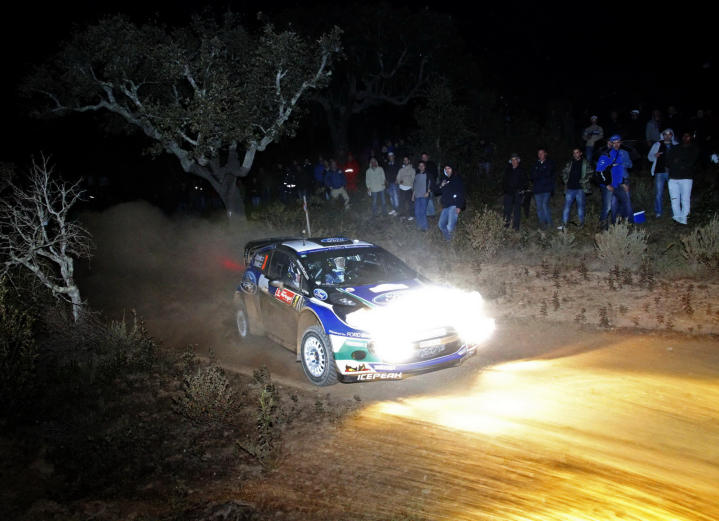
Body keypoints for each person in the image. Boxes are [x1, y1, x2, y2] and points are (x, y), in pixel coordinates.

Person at [596, 135, 632, 228]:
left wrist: (623, 182)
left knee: (625, 201)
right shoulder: (606, 155)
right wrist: (607, 184)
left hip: (617, 184)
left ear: (621, 143)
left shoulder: (618, 154)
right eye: (614, 143)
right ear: (611, 143)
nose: (616, 145)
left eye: (618, 142)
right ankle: (603, 228)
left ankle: (616, 222)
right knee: (607, 207)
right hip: (607, 184)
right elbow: (599, 171)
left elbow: (619, 171)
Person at [666, 132, 700, 225]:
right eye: (684, 136)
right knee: (674, 199)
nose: (685, 138)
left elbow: (690, 162)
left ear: (691, 137)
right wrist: (680, 162)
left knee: (685, 200)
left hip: (686, 178)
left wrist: (677, 161)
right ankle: (677, 218)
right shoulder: (675, 148)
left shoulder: (694, 148)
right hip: (673, 178)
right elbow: (668, 161)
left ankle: (684, 219)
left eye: (687, 136)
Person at [647, 128, 678, 218]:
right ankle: (658, 211)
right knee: (658, 193)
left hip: (672, 172)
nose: (667, 136)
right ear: (662, 135)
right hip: (659, 171)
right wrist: (655, 155)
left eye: (669, 134)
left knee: (674, 193)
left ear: (672, 135)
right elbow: (650, 157)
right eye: (665, 134)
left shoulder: (676, 145)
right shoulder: (657, 144)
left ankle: (674, 211)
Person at [561, 148, 593, 227]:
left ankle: (581, 224)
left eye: (577, 152)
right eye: (574, 153)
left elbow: (591, 173)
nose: (575, 154)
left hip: (580, 188)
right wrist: (566, 180)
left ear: (580, 153)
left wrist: (584, 180)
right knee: (566, 207)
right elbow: (564, 173)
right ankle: (564, 224)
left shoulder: (585, 163)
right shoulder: (569, 163)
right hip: (570, 188)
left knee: (580, 208)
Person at [434, 163, 465, 241]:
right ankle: (448, 240)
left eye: (449, 168)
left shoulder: (457, 179)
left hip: (454, 205)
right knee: (441, 225)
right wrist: (441, 185)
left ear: (452, 169)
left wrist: (459, 206)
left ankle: (451, 242)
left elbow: (460, 193)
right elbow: (436, 191)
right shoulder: (443, 179)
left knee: (450, 226)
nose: (447, 170)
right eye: (446, 168)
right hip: (445, 205)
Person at [529, 148, 556, 230]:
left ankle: (549, 223)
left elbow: (548, 173)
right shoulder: (535, 164)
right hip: (537, 189)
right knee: (539, 207)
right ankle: (542, 222)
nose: (540, 155)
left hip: (546, 188)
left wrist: (538, 172)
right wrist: (541, 173)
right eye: (539, 153)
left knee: (545, 205)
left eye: (542, 153)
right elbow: (532, 176)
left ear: (545, 154)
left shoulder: (550, 163)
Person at [503, 153, 528, 231]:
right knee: (507, 210)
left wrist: (522, 190)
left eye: (515, 159)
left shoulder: (522, 170)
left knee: (517, 210)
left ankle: (516, 227)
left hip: (517, 193)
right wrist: (505, 190)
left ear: (518, 160)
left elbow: (526, 182)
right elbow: (504, 181)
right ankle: (506, 225)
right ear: (510, 161)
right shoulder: (507, 170)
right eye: (512, 160)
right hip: (509, 193)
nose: (514, 161)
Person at [412, 161, 432, 231]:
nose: (421, 167)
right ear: (418, 167)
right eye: (420, 166)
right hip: (417, 196)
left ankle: (424, 227)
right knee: (416, 212)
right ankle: (419, 225)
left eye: (422, 165)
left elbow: (432, 185)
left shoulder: (428, 174)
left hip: (424, 196)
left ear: (425, 166)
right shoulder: (416, 175)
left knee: (422, 212)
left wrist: (428, 192)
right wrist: (413, 196)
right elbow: (415, 186)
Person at [421, 152, 439, 218]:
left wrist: (432, 182)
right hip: (423, 183)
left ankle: (432, 213)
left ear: (428, 157)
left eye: (425, 157)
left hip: (430, 183)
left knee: (429, 198)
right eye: (423, 157)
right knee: (425, 198)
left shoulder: (432, 164)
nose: (424, 158)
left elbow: (435, 174)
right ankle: (427, 213)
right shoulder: (421, 165)